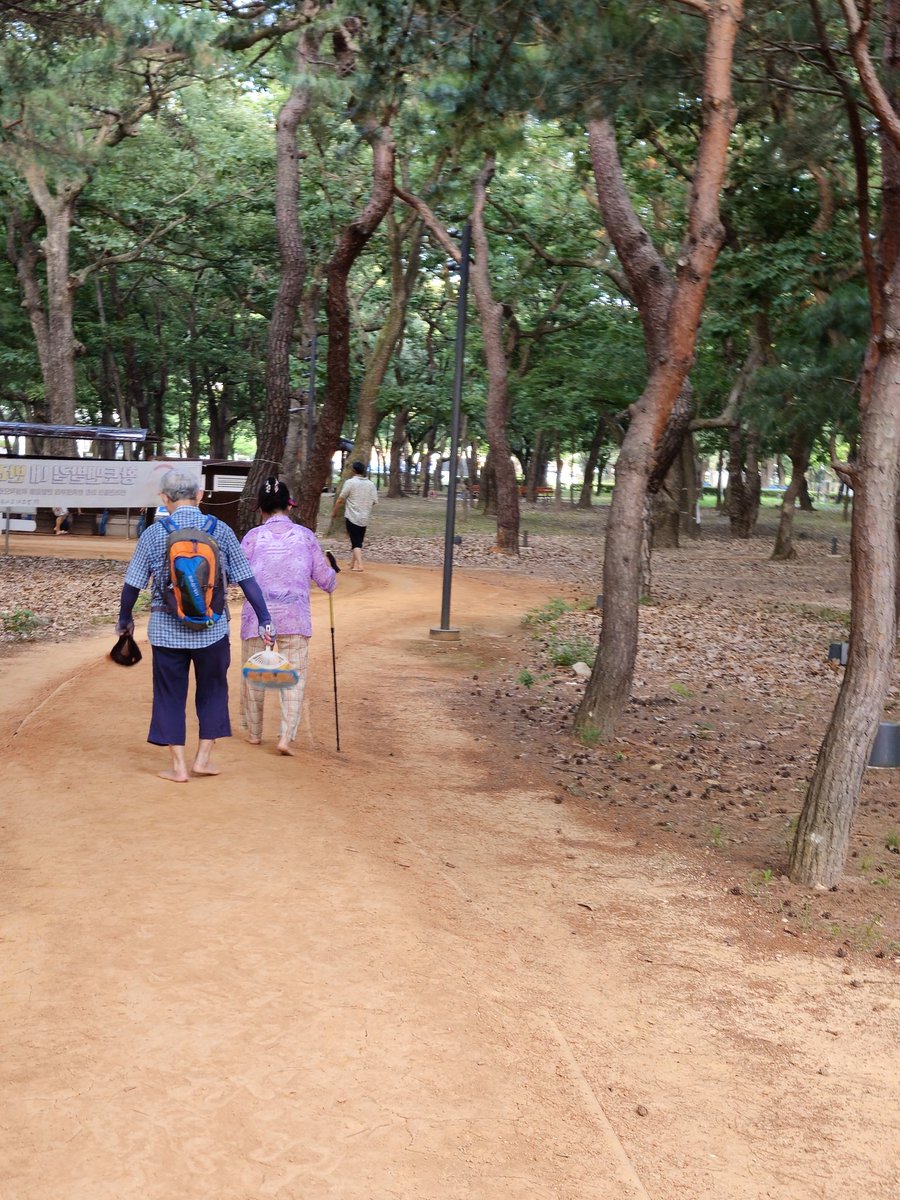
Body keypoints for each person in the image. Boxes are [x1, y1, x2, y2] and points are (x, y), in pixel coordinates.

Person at [115, 467, 275, 784]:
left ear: (164, 498)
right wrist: (264, 618)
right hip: (213, 630)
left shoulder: (154, 534)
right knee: (213, 691)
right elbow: (247, 579)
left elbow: (132, 584)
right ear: (200, 496)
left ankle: (178, 766)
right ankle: (202, 759)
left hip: (166, 629)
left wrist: (125, 619)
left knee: (169, 695)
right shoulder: (223, 531)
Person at [240, 477, 337, 755]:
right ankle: (284, 737)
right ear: (289, 506)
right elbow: (325, 580)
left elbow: (236, 576)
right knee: (294, 675)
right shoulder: (305, 536)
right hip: (295, 617)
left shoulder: (252, 538)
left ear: (261, 509)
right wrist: (333, 575)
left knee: (256, 670)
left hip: (258, 618)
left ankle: (256, 734)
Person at [331, 459, 378, 571]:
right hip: (364, 517)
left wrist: (334, 512)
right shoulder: (371, 484)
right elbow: (375, 501)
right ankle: (352, 563)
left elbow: (340, 499)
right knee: (357, 540)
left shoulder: (350, 483)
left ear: (353, 470)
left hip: (352, 516)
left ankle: (360, 565)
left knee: (355, 542)